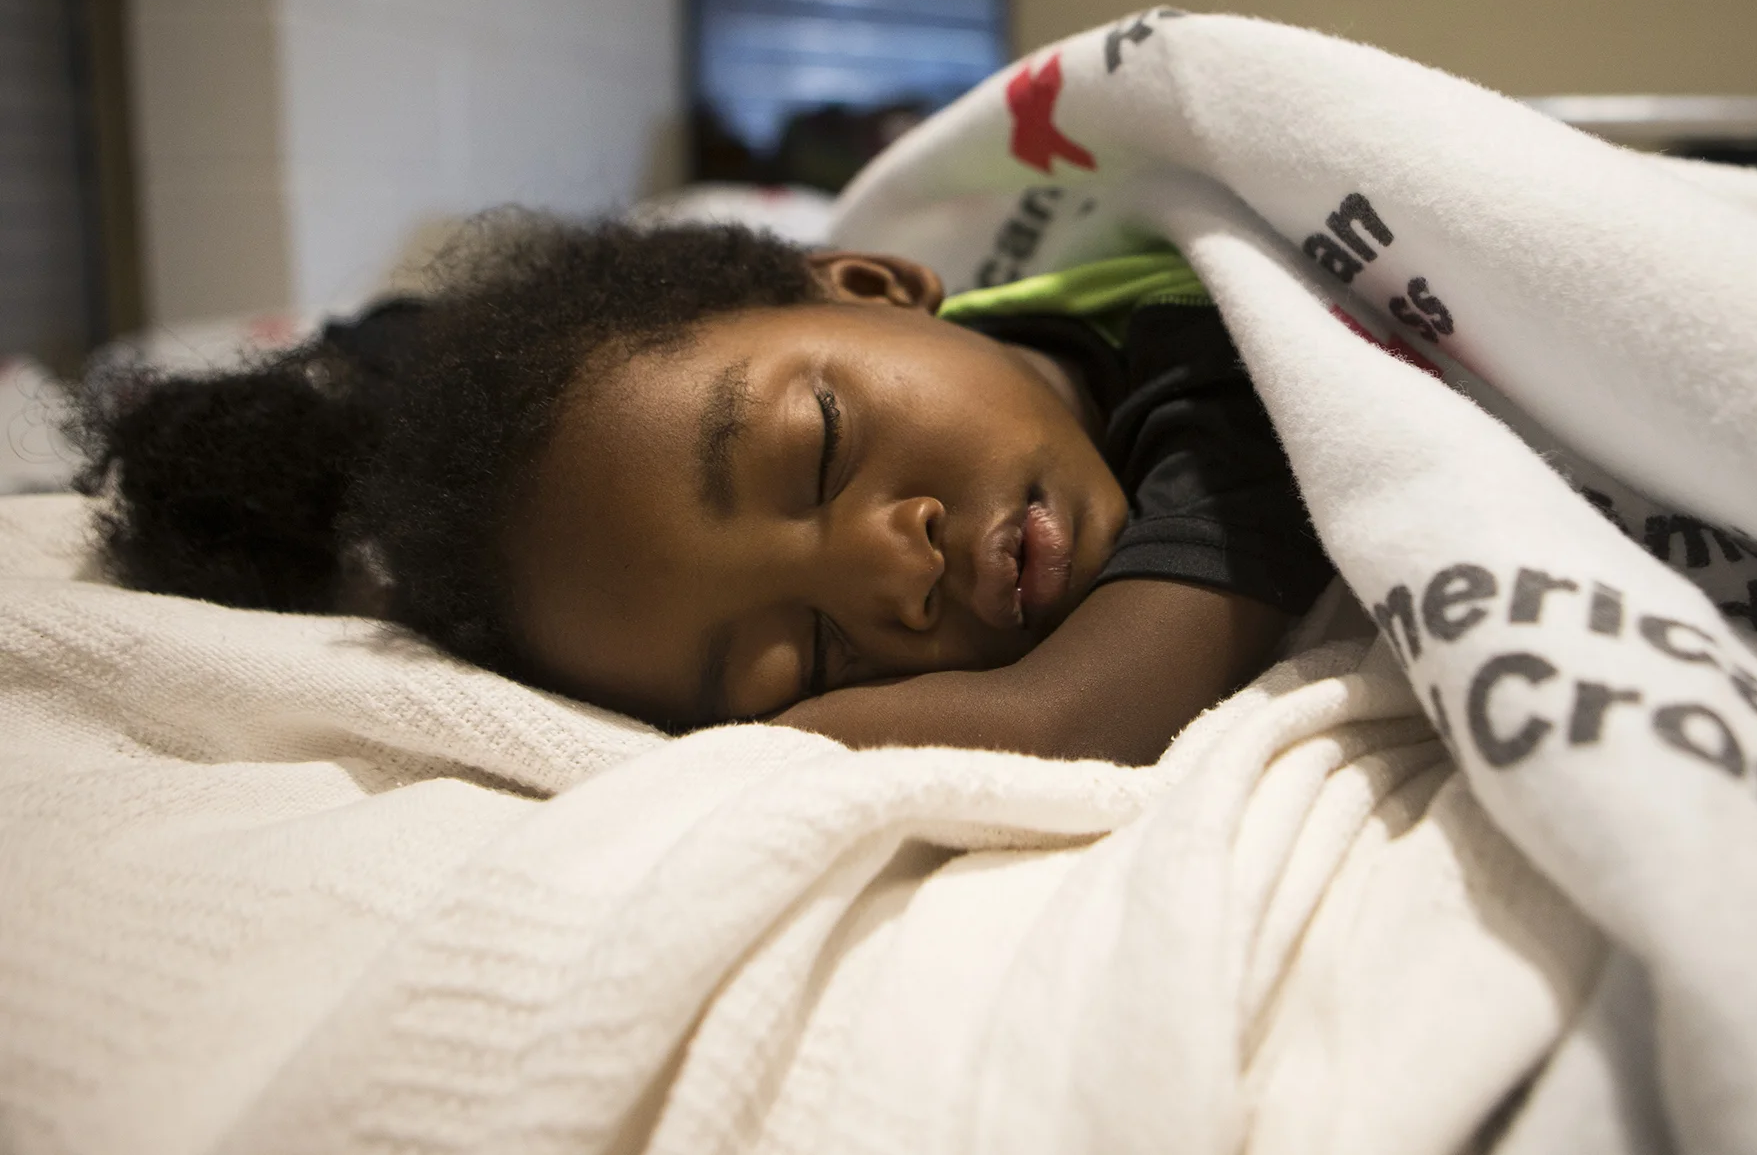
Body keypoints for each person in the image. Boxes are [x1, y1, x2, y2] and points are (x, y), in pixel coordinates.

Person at [71, 217, 1333, 765]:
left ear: (872, 283)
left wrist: (783, 732)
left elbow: (1065, 717)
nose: (895, 571)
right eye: (809, 653)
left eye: (822, 447)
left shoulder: (1238, 363)